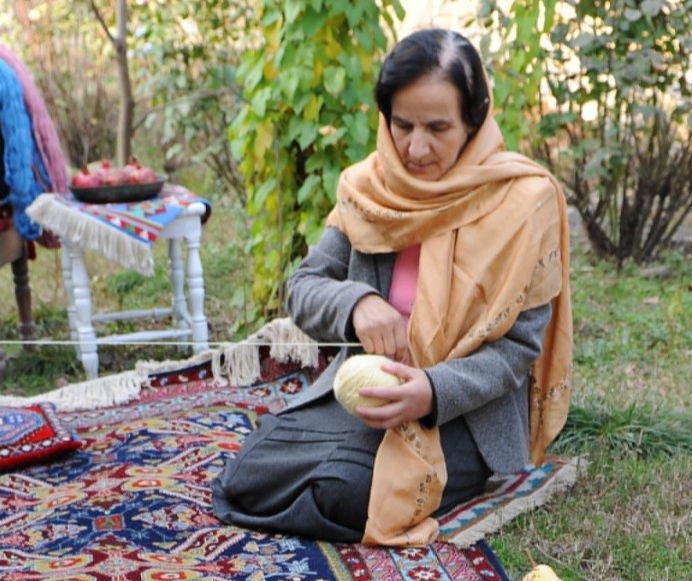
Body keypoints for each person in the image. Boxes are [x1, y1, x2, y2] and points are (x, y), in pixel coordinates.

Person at [212, 28, 573, 547]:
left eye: (438, 127)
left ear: (475, 119)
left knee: (343, 489)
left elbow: (516, 350)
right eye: (401, 125)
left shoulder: (524, 204)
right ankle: (343, 470)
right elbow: (304, 286)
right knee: (248, 475)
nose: (415, 147)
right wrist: (358, 303)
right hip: (374, 397)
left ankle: (356, 477)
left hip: (463, 412)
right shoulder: (371, 189)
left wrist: (430, 392)